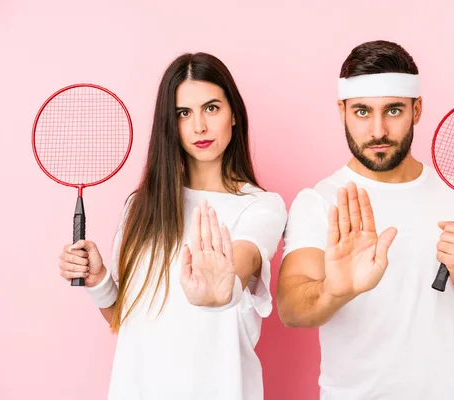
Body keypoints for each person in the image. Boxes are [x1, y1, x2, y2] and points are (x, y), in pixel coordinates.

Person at [277, 40, 454, 400]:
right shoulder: (318, 202)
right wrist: (335, 289)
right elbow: (290, 311)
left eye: (393, 111)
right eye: (362, 112)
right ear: (341, 110)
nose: (378, 131)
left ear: (417, 109)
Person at [58, 52, 287, 400]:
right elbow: (126, 317)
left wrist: (219, 292)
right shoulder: (141, 206)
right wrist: (99, 280)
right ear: (170, 123)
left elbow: (242, 262)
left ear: (234, 115)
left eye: (212, 108)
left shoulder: (262, 207)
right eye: (183, 113)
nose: (199, 127)